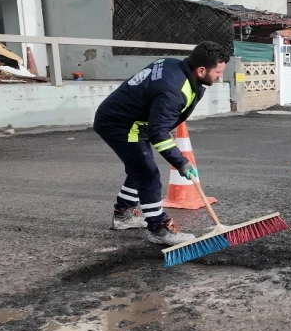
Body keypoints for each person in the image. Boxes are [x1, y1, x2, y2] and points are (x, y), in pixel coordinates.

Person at [92, 41, 230, 245]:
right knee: (147, 174)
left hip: (134, 121)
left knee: (138, 168)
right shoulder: (174, 89)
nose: (220, 77)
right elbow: (158, 132)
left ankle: (123, 214)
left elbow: (159, 120)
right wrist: (181, 162)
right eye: (217, 72)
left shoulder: (176, 67)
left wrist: (161, 132)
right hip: (120, 124)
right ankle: (158, 228)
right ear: (201, 70)